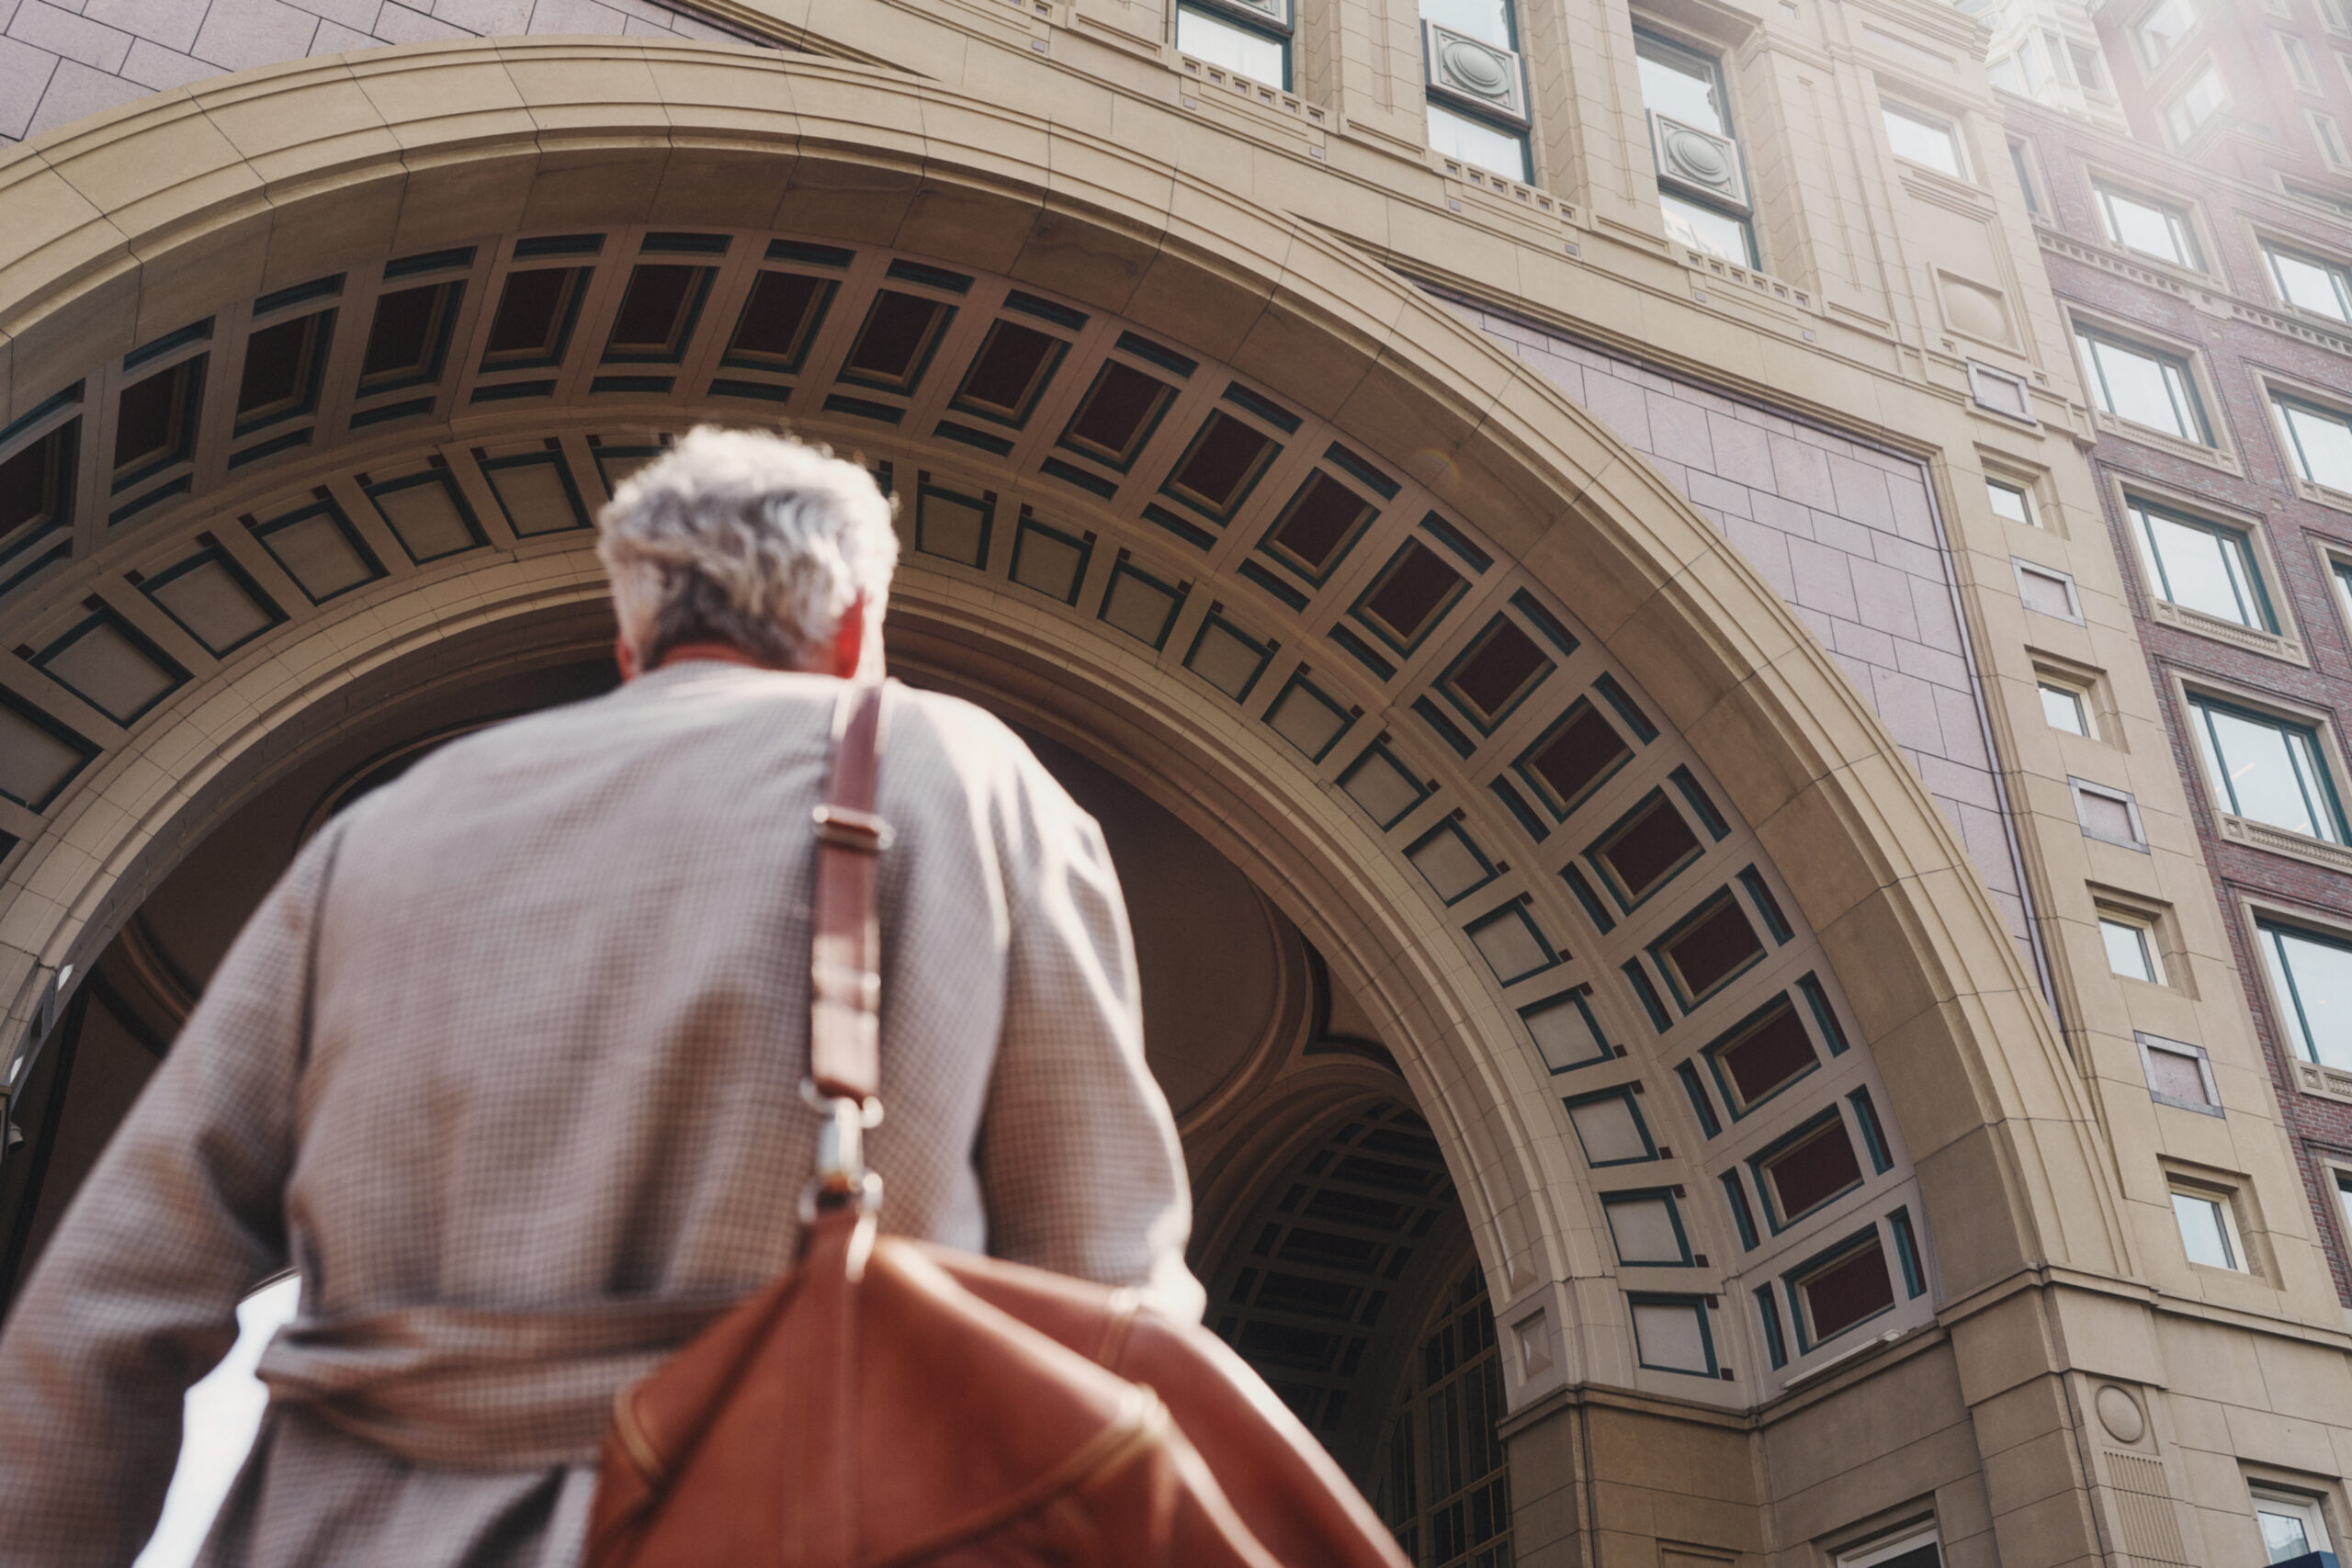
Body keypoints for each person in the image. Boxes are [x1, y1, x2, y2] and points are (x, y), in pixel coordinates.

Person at [0, 427, 1204, 1567]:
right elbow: (1104, 1289)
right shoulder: (963, 777)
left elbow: (113, 1307)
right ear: (855, 628)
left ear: (630, 644)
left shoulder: (384, 833)